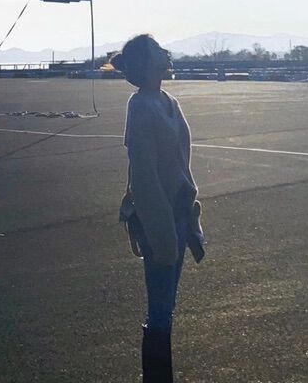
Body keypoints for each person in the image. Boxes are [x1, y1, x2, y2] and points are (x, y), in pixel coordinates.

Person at [110, 34, 205, 383]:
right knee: (160, 310)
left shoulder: (169, 101)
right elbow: (143, 173)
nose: (166, 53)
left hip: (179, 213)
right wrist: (160, 227)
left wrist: (189, 212)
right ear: (147, 64)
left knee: (168, 306)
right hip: (158, 218)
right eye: (158, 50)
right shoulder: (140, 105)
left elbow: (181, 160)